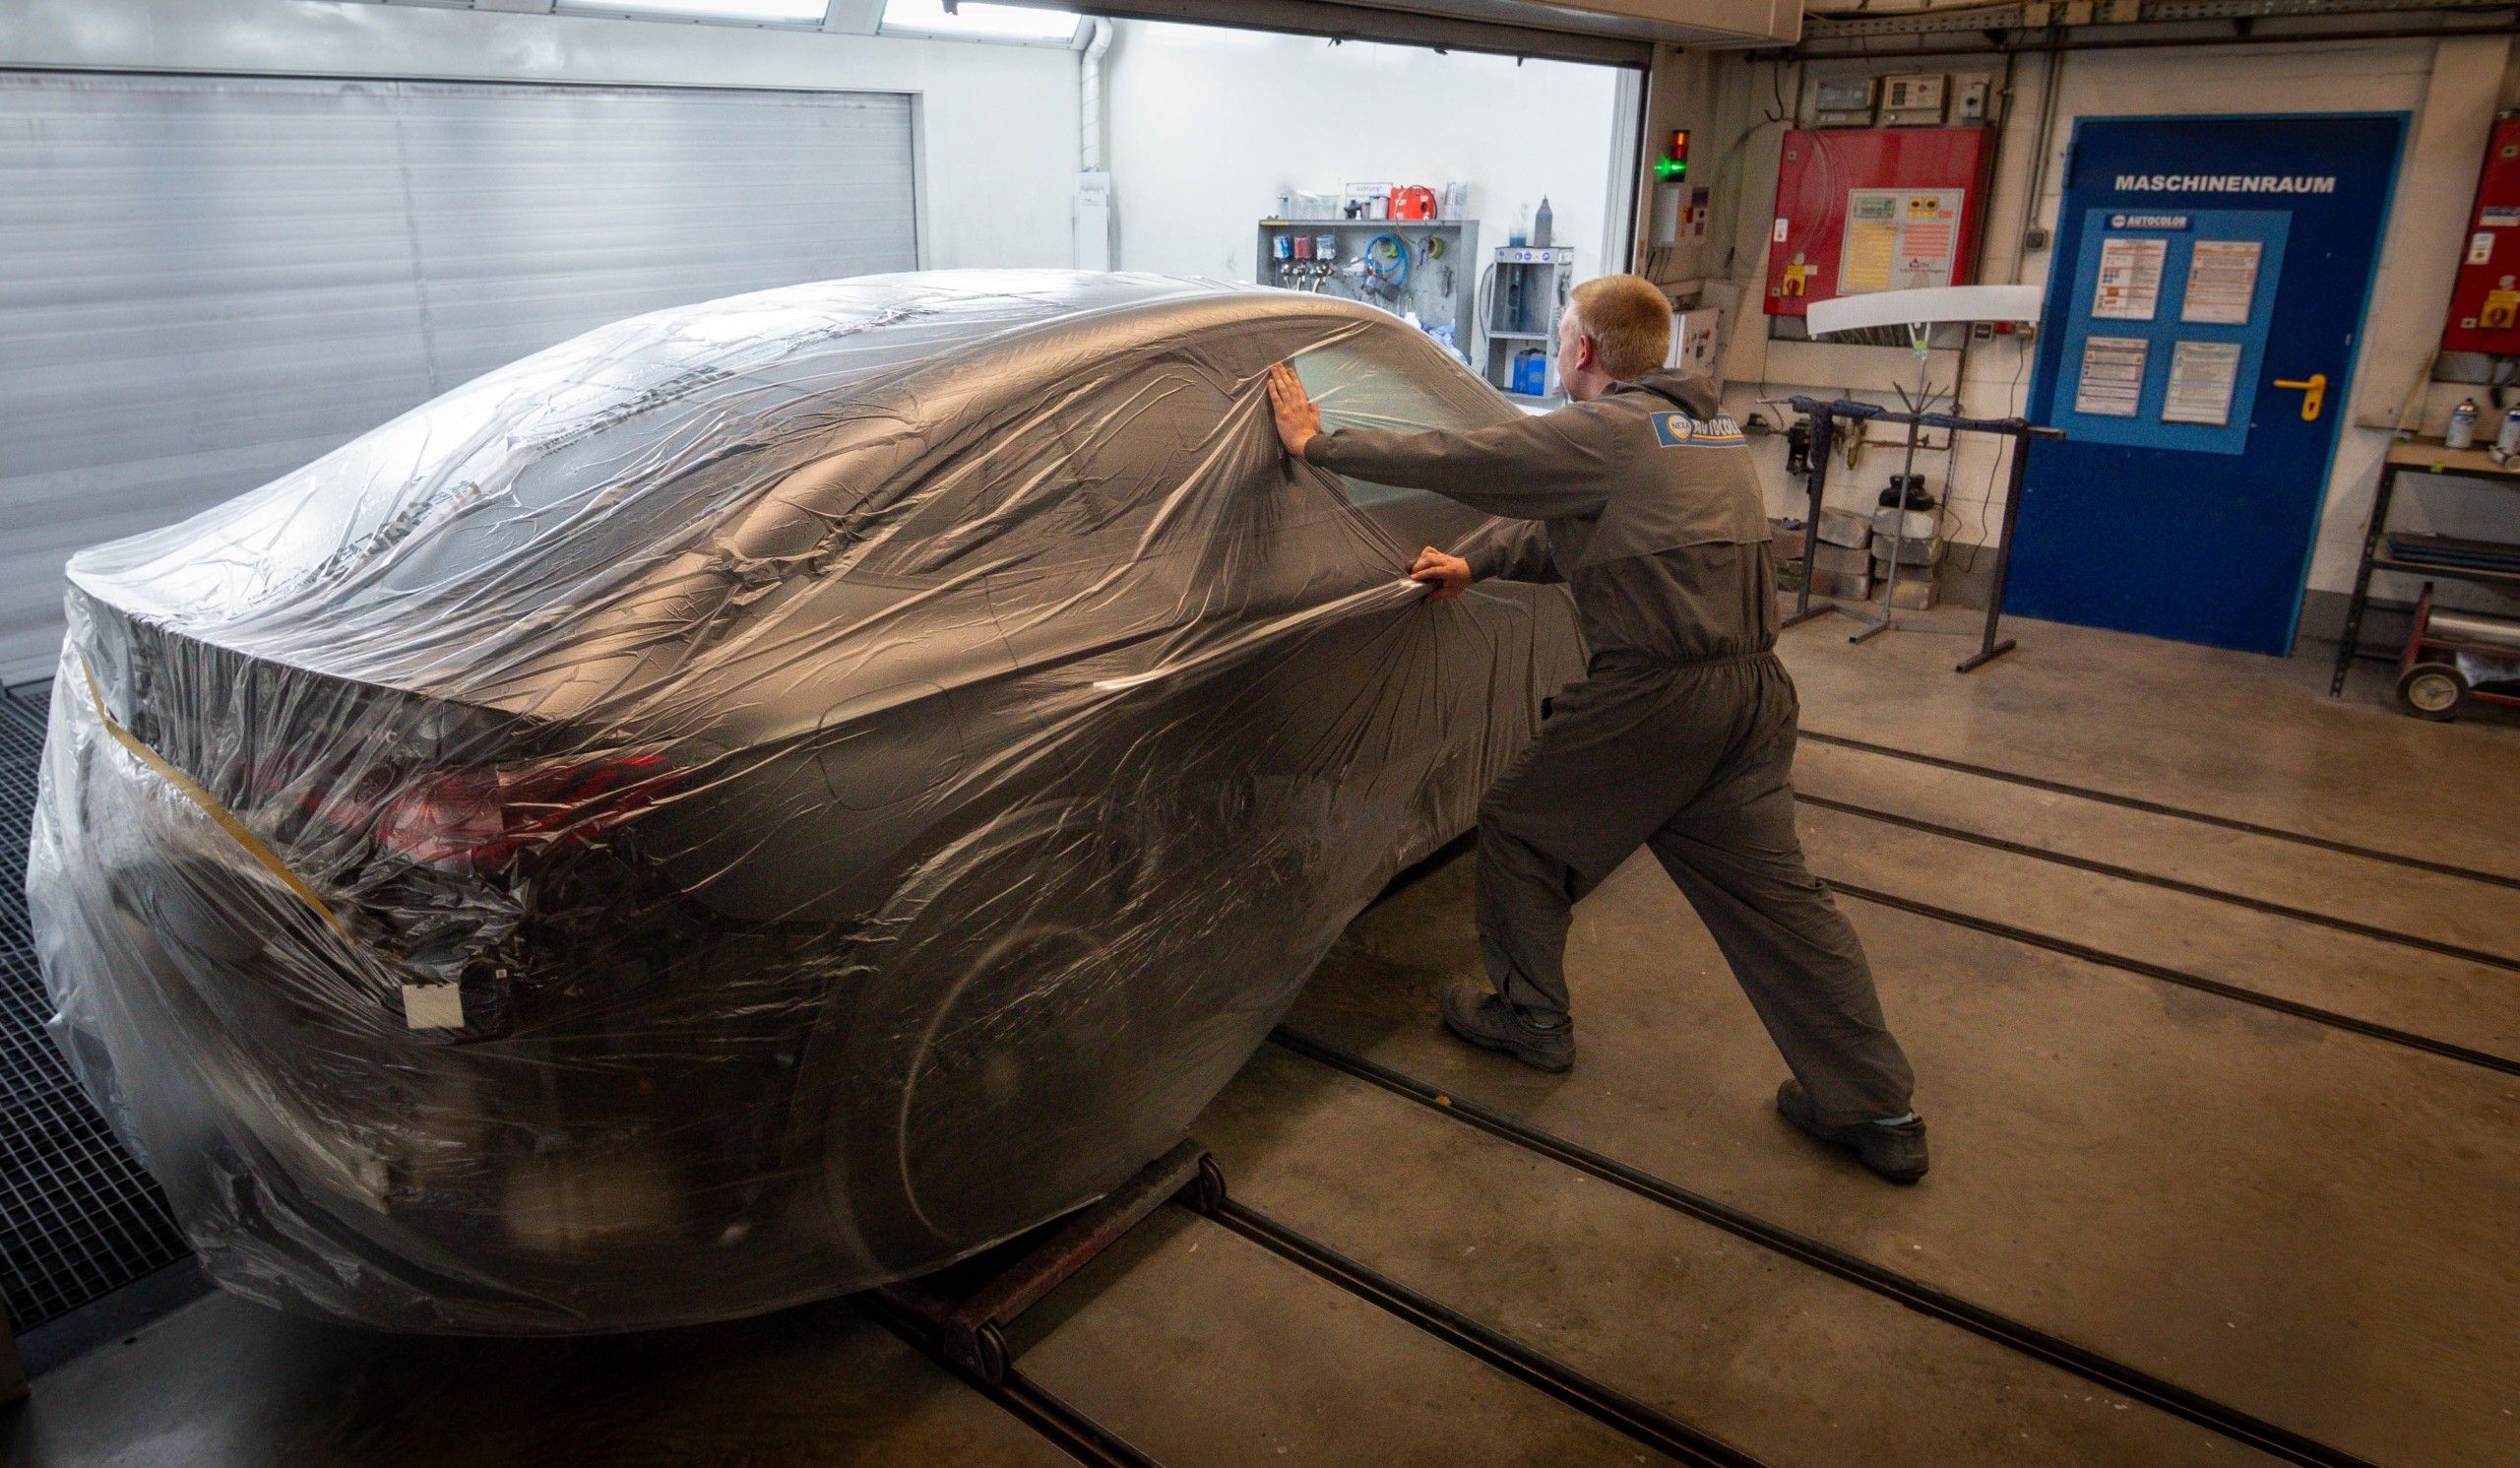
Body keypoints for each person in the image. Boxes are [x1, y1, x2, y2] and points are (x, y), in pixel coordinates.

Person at [1262, 275, 1927, 1182]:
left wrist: (1319, 444)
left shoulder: (1604, 432)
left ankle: (1530, 1016)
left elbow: (1464, 457)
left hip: (1654, 697)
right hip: (1750, 696)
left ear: (1579, 351)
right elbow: (1586, 531)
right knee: (1781, 904)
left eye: (1564, 331)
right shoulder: (1700, 427)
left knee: (1521, 829)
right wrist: (1478, 560)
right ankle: (1878, 1106)